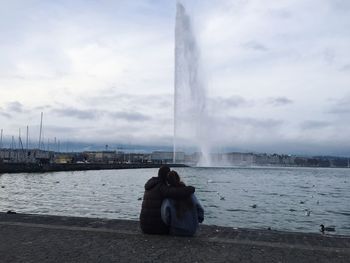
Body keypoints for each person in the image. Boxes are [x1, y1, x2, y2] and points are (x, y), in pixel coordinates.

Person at [140, 165, 195, 235]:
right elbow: (176, 192)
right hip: (156, 228)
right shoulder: (161, 186)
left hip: (144, 227)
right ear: (166, 176)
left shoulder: (152, 184)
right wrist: (191, 189)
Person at [161, 170, 204, 236]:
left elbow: (166, 216)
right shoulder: (190, 194)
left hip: (175, 231)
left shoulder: (169, 196)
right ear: (179, 179)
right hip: (191, 230)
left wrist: (170, 224)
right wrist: (196, 221)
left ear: (168, 182)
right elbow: (200, 210)